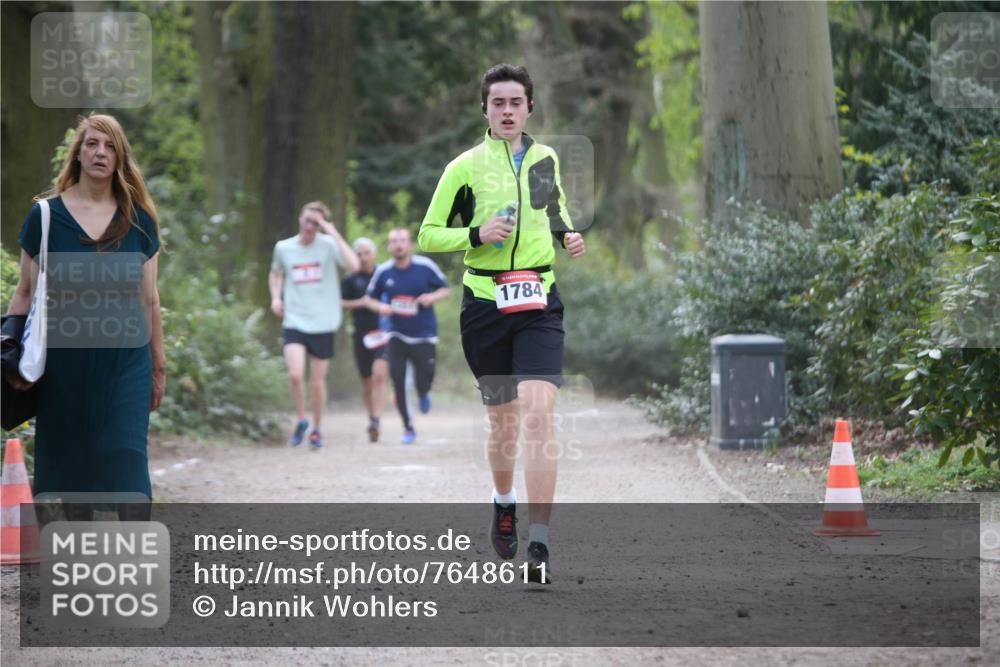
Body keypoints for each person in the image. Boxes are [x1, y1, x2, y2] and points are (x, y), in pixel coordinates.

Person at [418, 64, 586, 583]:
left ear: (530, 108)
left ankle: (540, 542)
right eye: (499, 103)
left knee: (539, 414)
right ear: (485, 109)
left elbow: (553, 209)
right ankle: (503, 501)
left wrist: (570, 236)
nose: (508, 110)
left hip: (538, 300)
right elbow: (427, 234)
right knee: (503, 423)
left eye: (516, 102)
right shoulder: (463, 167)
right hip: (485, 304)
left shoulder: (546, 158)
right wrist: (476, 233)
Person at [5, 113, 165, 520]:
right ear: (78, 153)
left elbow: (150, 300)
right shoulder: (45, 217)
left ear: (120, 158)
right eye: (92, 143)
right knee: (72, 471)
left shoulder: (138, 221)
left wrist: (158, 366)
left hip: (126, 361)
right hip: (64, 364)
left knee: (127, 457)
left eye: (110, 146)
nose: (101, 152)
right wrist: (8, 352)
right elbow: (25, 292)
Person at [269, 202, 359, 450]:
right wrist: (276, 297)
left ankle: (317, 429)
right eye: (307, 220)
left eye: (315, 223)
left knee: (318, 381)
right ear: (300, 219)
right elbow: (275, 273)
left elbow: (354, 266)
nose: (310, 226)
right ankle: (301, 419)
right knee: (296, 375)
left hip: (323, 321)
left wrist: (332, 231)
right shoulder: (284, 248)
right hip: (295, 319)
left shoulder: (329, 245)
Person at [364, 228, 450, 444]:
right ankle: (408, 426)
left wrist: (431, 297)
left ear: (410, 244)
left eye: (402, 241)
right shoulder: (384, 271)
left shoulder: (425, 266)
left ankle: (423, 392)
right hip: (396, 333)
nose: (398, 245)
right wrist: (381, 307)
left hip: (424, 334)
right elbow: (369, 299)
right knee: (399, 381)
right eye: (394, 241)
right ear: (389, 246)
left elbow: (445, 289)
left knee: (425, 378)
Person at [340, 237, 389, 443]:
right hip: (361, 334)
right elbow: (340, 303)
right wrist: (362, 302)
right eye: (358, 254)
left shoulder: (385, 276)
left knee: (379, 375)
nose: (362, 257)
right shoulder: (351, 280)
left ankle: (377, 420)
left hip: (384, 333)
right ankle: (371, 418)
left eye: (366, 253)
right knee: (367, 382)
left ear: (375, 254)